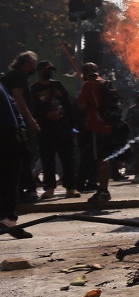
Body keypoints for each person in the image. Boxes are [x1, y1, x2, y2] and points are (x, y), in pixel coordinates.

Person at [29, 61, 79, 198]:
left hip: (63, 128)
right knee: (47, 160)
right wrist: (46, 115)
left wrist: (72, 125)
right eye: (46, 69)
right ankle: (49, 187)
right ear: (39, 71)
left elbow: (67, 104)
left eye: (50, 69)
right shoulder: (33, 89)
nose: (48, 71)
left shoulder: (58, 85)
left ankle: (71, 187)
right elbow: (32, 109)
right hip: (45, 130)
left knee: (68, 159)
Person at [75, 62, 120, 203]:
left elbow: (81, 106)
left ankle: (103, 190)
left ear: (84, 74)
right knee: (104, 158)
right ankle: (102, 189)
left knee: (100, 159)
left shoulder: (88, 85)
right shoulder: (105, 83)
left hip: (96, 125)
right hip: (108, 124)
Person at [1, 51, 40, 203]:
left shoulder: (10, 76)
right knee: (23, 156)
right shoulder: (18, 76)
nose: (34, 67)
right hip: (18, 125)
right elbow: (18, 99)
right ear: (27, 63)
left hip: (11, 124)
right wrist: (30, 121)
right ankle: (24, 190)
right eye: (34, 64)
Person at [0, 80, 32, 238]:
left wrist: (21, 127)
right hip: (5, 134)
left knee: (11, 178)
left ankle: (9, 220)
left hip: (9, 134)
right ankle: (7, 219)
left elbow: (12, 104)